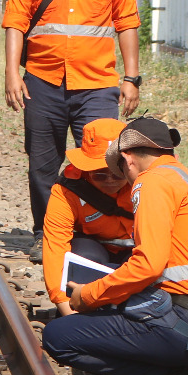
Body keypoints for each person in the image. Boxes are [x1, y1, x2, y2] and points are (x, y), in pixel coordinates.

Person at [41, 117, 188, 375]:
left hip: (184, 324)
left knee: (58, 337)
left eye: (118, 171)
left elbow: (148, 264)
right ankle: (176, 369)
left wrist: (89, 296)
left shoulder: (150, 182)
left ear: (127, 159)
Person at [2, 0, 141, 262]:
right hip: (43, 82)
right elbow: (16, 22)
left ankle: (110, 232)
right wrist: (12, 72)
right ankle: (46, 233)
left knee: (105, 161)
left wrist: (132, 77)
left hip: (96, 84)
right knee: (43, 163)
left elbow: (127, 23)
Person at [40, 118, 136, 311]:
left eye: (117, 173)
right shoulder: (67, 191)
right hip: (94, 250)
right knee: (80, 257)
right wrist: (66, 306)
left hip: (139, 252)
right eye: (99, 173)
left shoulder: (149, 181)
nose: (109, 180)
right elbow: (55, 249)